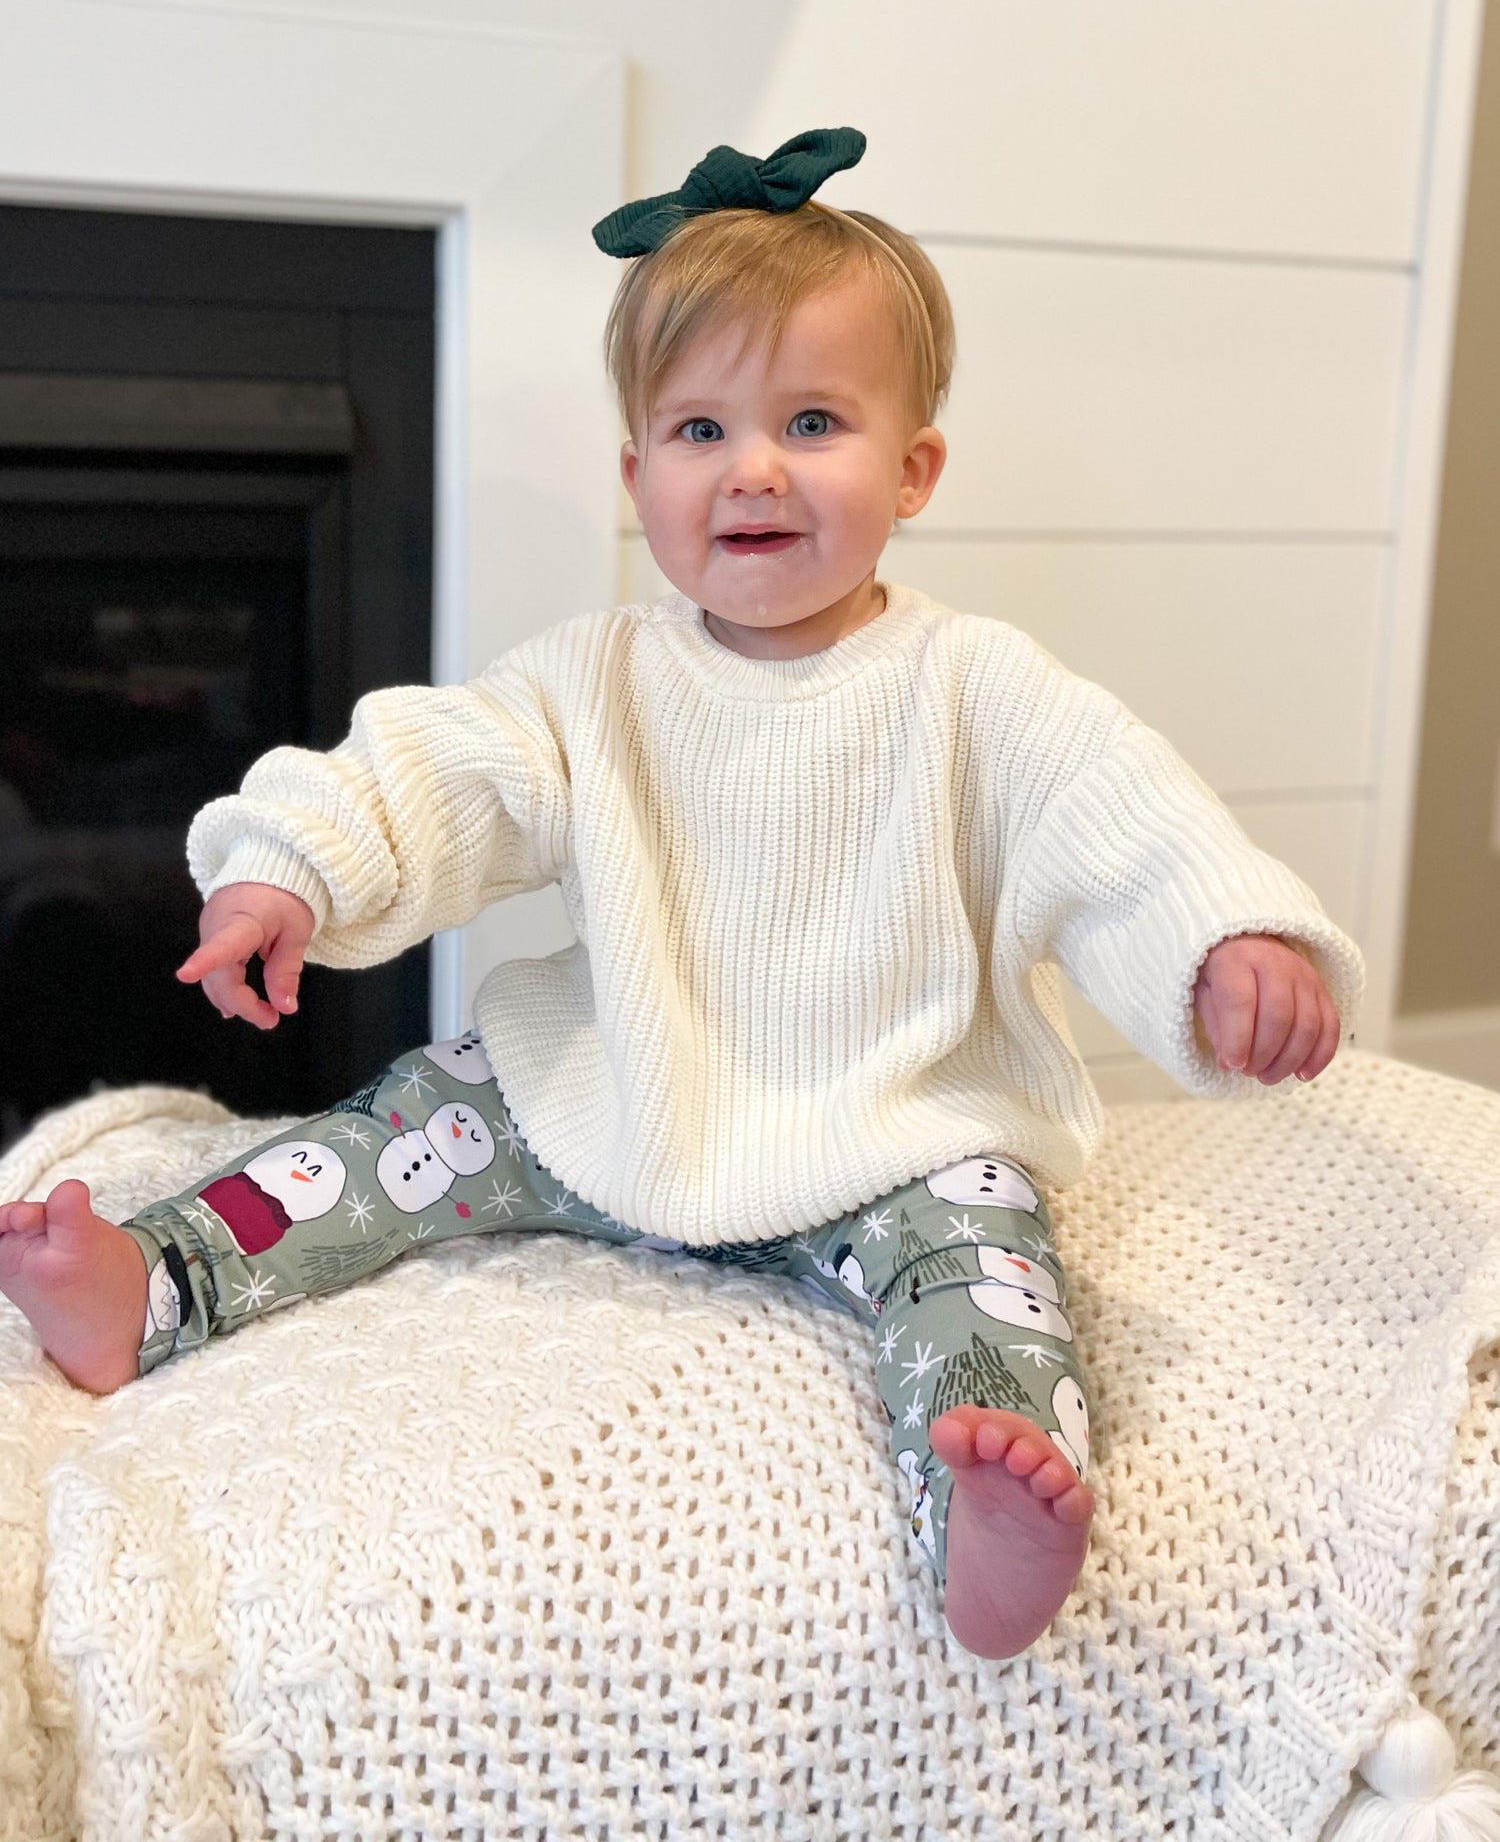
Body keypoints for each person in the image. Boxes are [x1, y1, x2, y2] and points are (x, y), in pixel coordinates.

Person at [0, 128, 1363, 1662]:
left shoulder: (980, 689)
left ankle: (990, 1499)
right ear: (639, 473)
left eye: (813, 421)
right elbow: (434, 775)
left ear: (913, 468)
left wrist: (1223, 939)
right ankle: (153, 1284)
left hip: (893, 1125)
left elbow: (1126, 824)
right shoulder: (593, 680)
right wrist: (291, 869)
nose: (754, 469)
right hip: (612, 1092)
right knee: (376, 1140)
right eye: (701, 428)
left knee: (987, 1270)